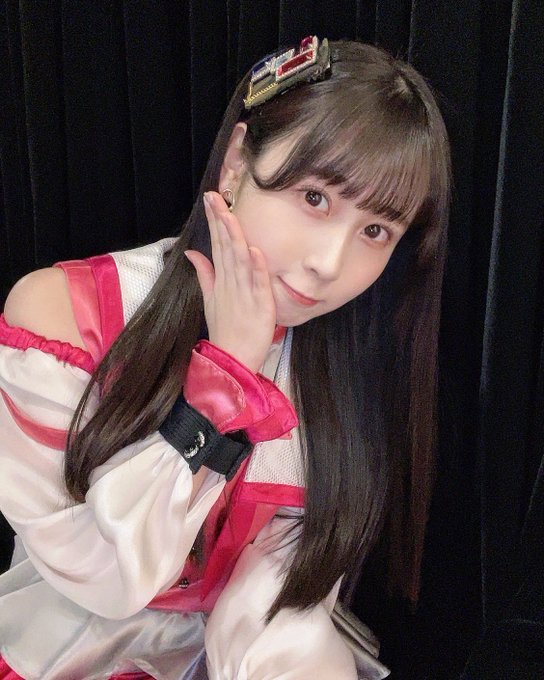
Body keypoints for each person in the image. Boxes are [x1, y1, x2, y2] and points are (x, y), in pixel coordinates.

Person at [0, 36, 451, 679]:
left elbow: (272, 616)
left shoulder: (335, 376)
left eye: (375, 231)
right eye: (315, 198)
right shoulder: (66, 315)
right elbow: (103, 577)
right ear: (237, 163)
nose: (329, 264)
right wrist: (220, 388)